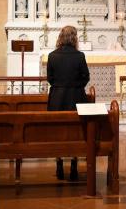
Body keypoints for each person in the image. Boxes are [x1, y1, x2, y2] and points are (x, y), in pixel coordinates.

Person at [47, 26, 90, 180]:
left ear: (60, 37)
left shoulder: (52, 56)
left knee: (57, 131)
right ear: (74, 38)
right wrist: (76, 86)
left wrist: (60, 86)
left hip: (57, 98)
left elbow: (50, 78)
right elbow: (86, 76)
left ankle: (59, 164)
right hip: (76, 97)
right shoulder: (79, 56)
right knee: (76, 131)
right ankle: (73, 165)